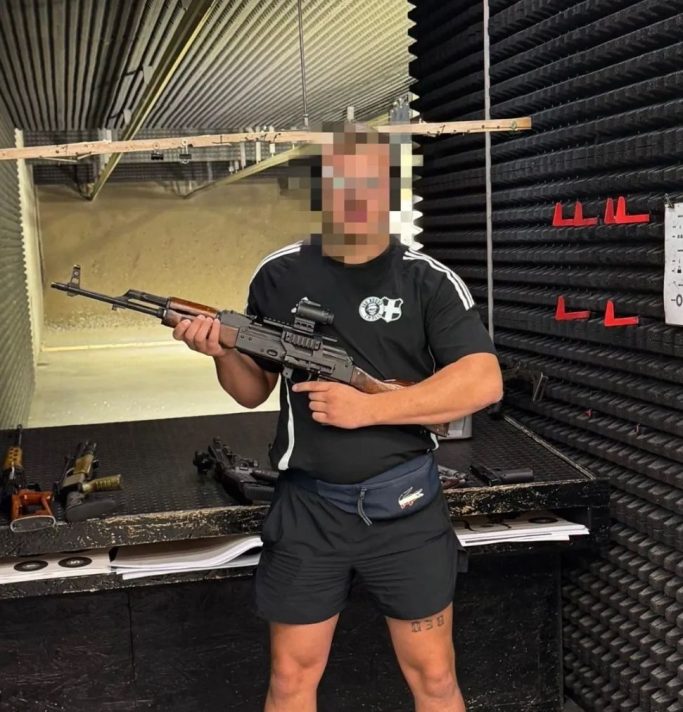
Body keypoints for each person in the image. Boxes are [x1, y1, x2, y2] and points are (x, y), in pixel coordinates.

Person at [173, 123, 503, 712]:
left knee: (434, 678)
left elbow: (483, 380)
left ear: (391, 191)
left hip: (405, 509)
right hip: (308, 510)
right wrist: (221, 351)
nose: (353, 196)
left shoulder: (427, 279)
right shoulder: (278, 274)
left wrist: (372, 407)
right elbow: (252, 391)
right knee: (290, 679)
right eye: (338, 182)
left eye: (368, 182)